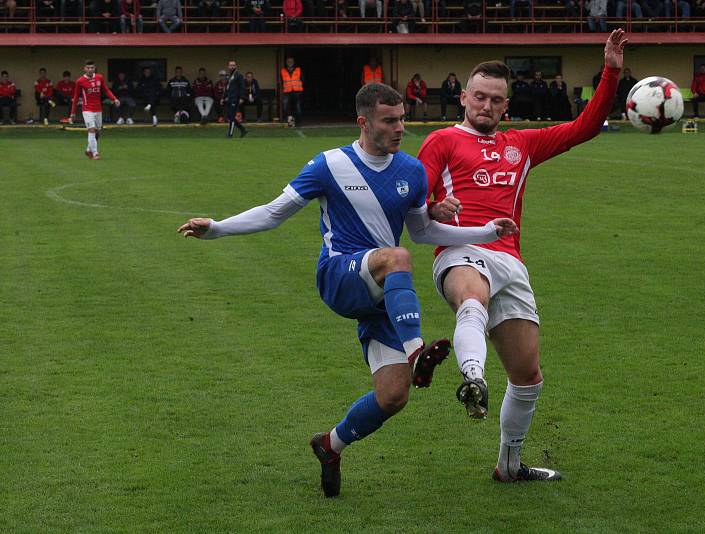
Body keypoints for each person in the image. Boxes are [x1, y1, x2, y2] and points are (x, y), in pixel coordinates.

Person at [177, 82, 519, 498]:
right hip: (339, 275)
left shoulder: (411, 171)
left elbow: (423, 230)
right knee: (396, 257)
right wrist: (215, 229)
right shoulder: (328, 164)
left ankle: (330, 444)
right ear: (364, 122)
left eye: (402, 120)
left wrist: (483, 231)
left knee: (393, 396)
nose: (399, 129)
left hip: (381, 292)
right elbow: (272, 213)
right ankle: (417, 353)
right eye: (389, 121)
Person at [417, 29, 626, 483]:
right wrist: (433, 207)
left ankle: (509, 467)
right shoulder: (442, 141)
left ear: (505, 106)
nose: (487, 106)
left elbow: (585, 127)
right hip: (460, 249)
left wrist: (610, 70)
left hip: (509, 261)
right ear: (464, 98)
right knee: (471, 300)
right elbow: (415, 198)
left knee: (528, 375)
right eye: (479, 97)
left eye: (495, 100)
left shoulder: (523, 145)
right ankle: (473, 377)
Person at [70, 60, 120, 160]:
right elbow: (76, 97)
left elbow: (106, 90)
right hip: (87, 109)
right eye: (88, 68)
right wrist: (73, 112)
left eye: (92, 68)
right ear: (84, 69)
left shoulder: (99, 77)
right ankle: (95, 153)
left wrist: (114, 99)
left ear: (94, 68)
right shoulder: (80, 81)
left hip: (98, 109)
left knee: (97, 132)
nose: (90, 69)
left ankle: (88, 150)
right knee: (91, 129)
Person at [222, 59, 248, 138]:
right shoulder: (229, 76)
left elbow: (242, 87)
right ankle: (243, 129)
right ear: (228, 66)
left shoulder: (238, 75)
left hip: (235, 99)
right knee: (229, 116)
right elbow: (227, 88)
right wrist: (223, 98)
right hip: (229, 98)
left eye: (233, 65)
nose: (232, 66)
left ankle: (230, 134)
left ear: (236, 66)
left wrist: (242, 97)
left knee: (232, 116)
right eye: (230, 65)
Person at [280, 56, 303, 126]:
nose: (290, 62)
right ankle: (290, 123)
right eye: (288, 61)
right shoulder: (283, 70)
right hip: (287, 92)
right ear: (286, 62)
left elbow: (303, 79)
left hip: (297, 92)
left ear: (293, 62)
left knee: (298, 108)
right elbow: (281, 81)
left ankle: (298, 123)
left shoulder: (298, 69)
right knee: (286, 107)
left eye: (291, 61)